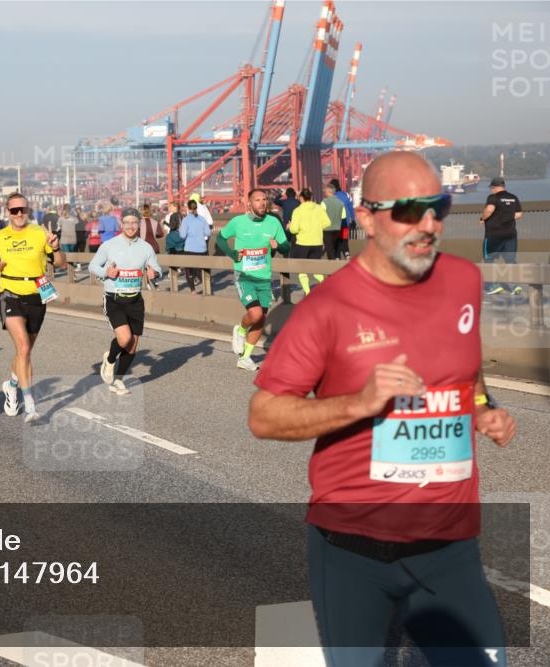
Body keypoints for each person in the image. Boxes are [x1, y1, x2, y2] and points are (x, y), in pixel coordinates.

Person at [248, 151, 516, 667]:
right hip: (353, 551)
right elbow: (263, 415)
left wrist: (483, 406)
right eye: (409, 211)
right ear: (366, 218)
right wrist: (360, 402)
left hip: (449, 547)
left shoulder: (462, 281)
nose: (429, 224)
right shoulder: (328, 308)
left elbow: (466, 361)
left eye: (437, 207)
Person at [0, 192, 66, 423]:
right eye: (14, 210)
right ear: (7, 212)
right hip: (10, 294)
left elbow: (61, 263)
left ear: (28, 211)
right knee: (24, 347)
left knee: (24, 351)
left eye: (23, 210)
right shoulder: (0, 236)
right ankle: (30, 405)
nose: (19, 214)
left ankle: (11, 386)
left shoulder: (40, 234)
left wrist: (56, 247)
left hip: (37, 295)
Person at [90, 209, 162, 395]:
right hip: (114, 299)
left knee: (132, 345)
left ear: (139, 224)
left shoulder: (146, 247)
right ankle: (110, 360)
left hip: (135, 300)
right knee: (124, 338)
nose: (131, 226)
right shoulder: (109, 245)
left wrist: (154, 273)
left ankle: (118, 380)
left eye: (134, 223)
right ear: (121, 224)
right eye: (127, 222)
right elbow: (93, 266)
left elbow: (156, 268)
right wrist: (107, 273)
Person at [215, 189, 289, 371]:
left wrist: (278, 245)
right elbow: (220, 238)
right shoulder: (238, 222)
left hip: (264, 277)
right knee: (255, 314)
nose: (262, 203)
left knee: (261, 319)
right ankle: (240, 330)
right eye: (258, 200)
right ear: (249, 204)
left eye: (264, 199)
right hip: (244, 276)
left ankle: (245, 358)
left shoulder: (273, 222)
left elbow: (286, 247)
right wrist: (233, 253)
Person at [479, 177, 524, 295]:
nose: (491, 190)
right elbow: (519, 215)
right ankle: (515, 286)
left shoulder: (493, 198)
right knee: (511, 260)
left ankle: (492, 286)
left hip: (494, 235)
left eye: (491, 188)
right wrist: (506, 218)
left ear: (494, 187)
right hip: (510, 235)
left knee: (488, 259)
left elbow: (489, 210)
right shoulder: (513, 197)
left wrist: (482, 218)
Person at [288, 188, 330, 295]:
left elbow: (294, 229)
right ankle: (324, 286)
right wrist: (317, 227)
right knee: (316, 268)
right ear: (310, 197)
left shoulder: (297, 210)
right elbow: (327, 223)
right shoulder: (319, 208)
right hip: (317, 242)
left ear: (301, 198)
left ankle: (307, 291)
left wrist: (290, 226)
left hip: (302, 243)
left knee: (302, 269)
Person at [178, 198, 211, 293]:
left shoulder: (186, 220)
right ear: (196, 208)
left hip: (190, 249)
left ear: (188, 208)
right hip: (202, 249)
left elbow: (182, 235)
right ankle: (208, 289)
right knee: (201, 270)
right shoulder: (202, 219)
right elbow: (208, 233)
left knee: (189, 271)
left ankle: (193, 290)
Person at [321, 182, 347, 260]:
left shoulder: (324, 203)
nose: (324, 192)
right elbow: (343, 218)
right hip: (338, 229)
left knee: (330, 251)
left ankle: (332, 269)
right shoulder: (341, 203)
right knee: (336, 250)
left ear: (329, 191)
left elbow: (321, 217)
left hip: (327, 230)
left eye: (325, 190)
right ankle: (337, 263)